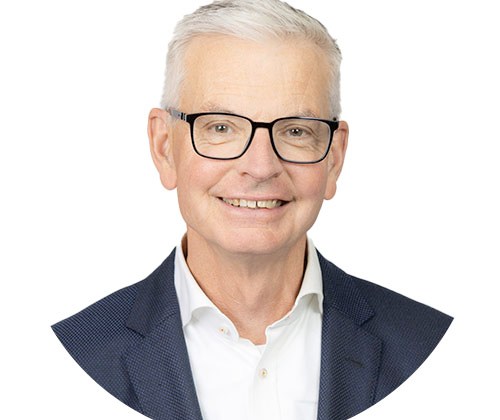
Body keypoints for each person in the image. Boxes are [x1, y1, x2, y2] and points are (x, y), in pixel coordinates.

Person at [51, 1, 452, 419]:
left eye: (296, 131)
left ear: (334, 158)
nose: (260, 167)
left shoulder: (431, 349)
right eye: (221, 127)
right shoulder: (74, 357)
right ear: (164, 147)